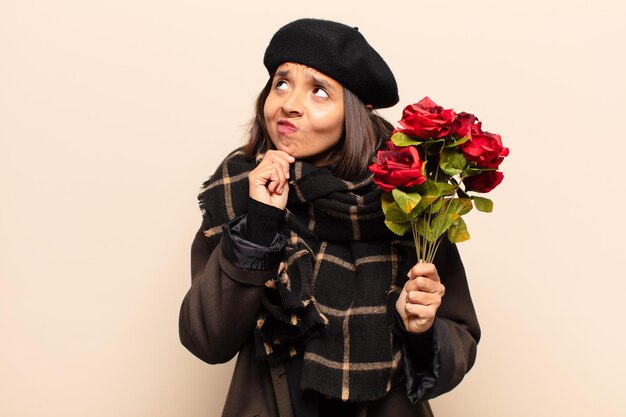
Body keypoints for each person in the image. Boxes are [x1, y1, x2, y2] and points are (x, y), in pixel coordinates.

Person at [179, 18, 480, 417]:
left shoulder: (411, 203)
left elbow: (459, 341)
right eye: (281, 84)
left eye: (319, 91)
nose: (289, 103)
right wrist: (260, 225)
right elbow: (206, 340)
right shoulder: (239, 190)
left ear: (355, 112)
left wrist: (421, 330)